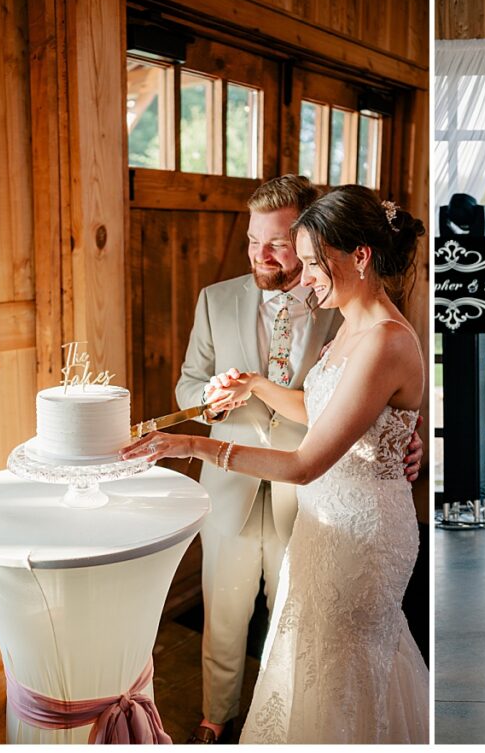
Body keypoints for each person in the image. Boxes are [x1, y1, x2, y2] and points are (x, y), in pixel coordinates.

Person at [123, 185, 429, 743]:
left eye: (311, 261)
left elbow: (309, 462)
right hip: (323, 522)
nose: (308, 276)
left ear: (359, 256)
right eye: (254, 242)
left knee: (344, 666)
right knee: (306, 655)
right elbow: (324, 408)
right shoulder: (354, 323)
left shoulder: (377, 335)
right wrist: (257, 386)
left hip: (354, 527)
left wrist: (192, 447)